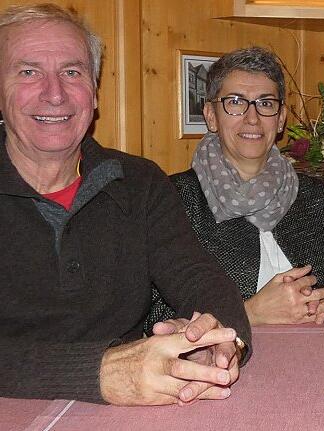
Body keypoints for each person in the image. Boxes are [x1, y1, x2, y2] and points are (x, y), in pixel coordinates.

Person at [0, 4, 251, 406]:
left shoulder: (139, 182)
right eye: (28, 72)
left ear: (94, 92)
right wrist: (98, 372)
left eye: (72, 72)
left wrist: (217, 339)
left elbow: (198, 276)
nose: (54, 92)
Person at [144, 47, 324, 330]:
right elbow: (150, 316)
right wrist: (250, 313)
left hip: (318, 356)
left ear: (280, 119)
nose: (252, 118)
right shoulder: (174, 198)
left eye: (265, 104)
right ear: (211, 115)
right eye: (236, 102)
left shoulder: (315, 197)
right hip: (224, 365)